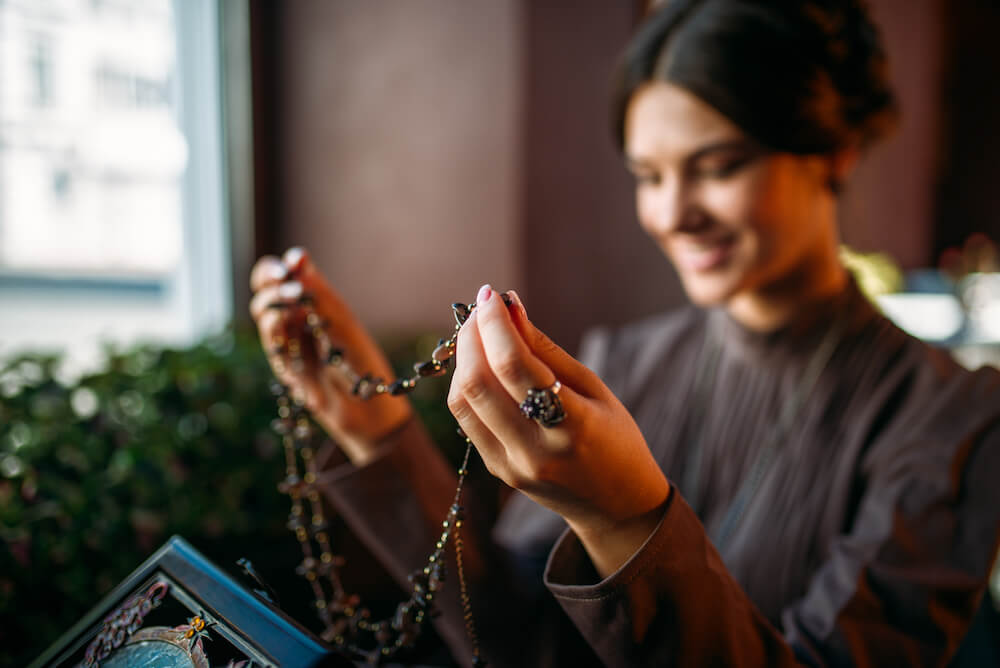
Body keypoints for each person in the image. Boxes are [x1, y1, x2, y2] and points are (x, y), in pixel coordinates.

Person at [249, 1, 1000, 665]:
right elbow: (515, 637)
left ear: (833, 151)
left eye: (718, 165)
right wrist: (374, 426)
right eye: (649, 175)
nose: (672, 213)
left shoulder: (951, 422)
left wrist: (627, 520)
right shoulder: (618, 364)